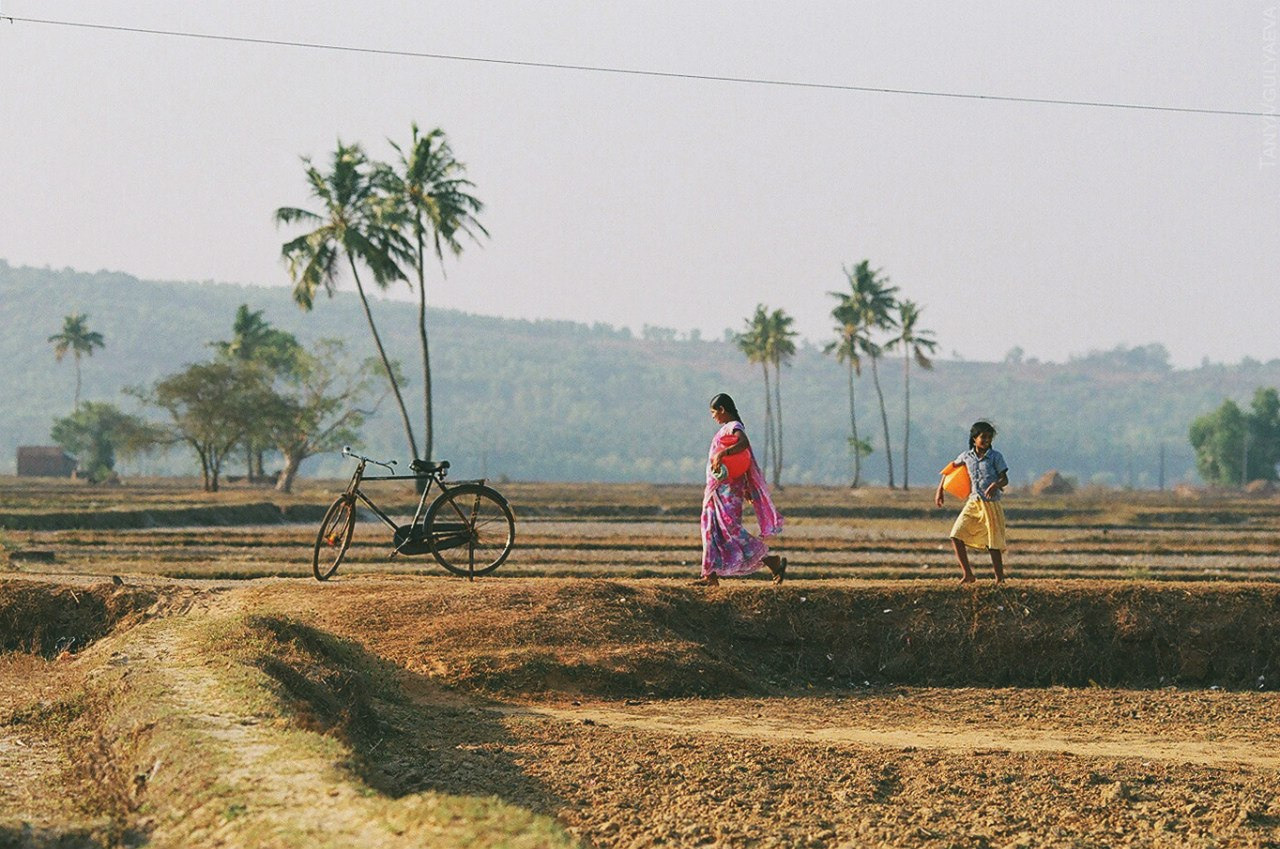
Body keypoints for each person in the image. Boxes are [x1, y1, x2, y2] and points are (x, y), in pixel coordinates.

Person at [697, 393, 785, 586]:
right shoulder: (726, 429)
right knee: (710, 529)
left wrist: (722, 453)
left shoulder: (734, 426)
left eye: (714, 412)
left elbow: (743, 443)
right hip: (718, 490)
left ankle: (771, 561)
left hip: (728, 491)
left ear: (722, 410)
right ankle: (709, 576)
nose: (713, 416)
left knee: (731, 529)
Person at [935, 420, 1009, 584]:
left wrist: (995, 485)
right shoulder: (966, 456)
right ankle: (968, 574)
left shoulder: (996, 457)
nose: (987, 440)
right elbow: (949, 470)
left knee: (993, 543)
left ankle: (1000, 579)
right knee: (956, 535)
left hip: (990, 504)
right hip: (974, 502)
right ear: (974, 438)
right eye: (983, 437)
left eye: (989, 438)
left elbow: (1005, 479)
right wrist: (940, 490)